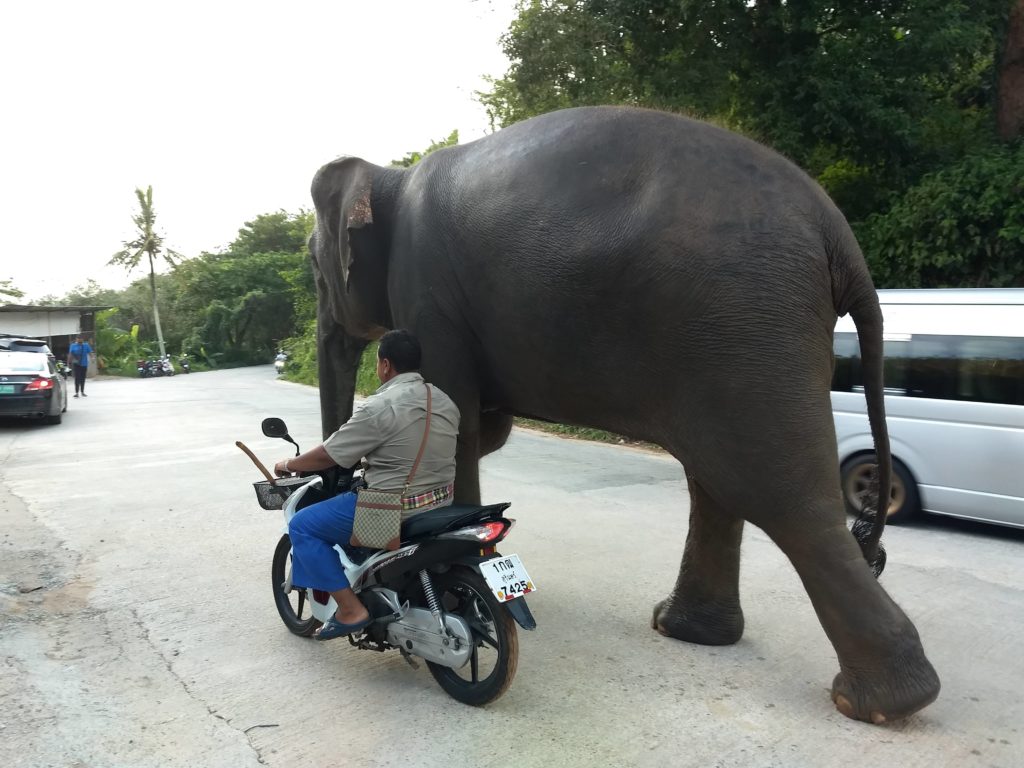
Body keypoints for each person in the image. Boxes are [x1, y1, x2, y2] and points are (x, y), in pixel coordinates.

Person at [273, 329, 460, 640]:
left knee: (304, 526)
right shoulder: (444, 400)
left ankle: (350, 609)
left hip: (390, 513)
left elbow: (329, 454)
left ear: (385, 365)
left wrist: (288, 464)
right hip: (441, 503)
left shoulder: (380, 406)